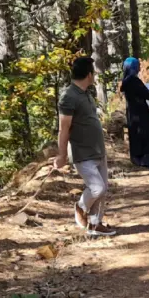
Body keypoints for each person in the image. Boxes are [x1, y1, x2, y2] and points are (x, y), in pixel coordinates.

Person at [54, 56, 115, 237]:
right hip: (83, 152)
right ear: (89, 74)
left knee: (102, 190)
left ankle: (96, 224)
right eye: (93, 72)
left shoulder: (85, 93)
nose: (94, 75)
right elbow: (63, 128)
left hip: (98, 150)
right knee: (97, 188)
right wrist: (62, 155)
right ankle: (80, 207)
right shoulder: (69, 96)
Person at [119, 57, 149, 168]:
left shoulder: (127, 81)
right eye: (137, 65)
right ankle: (148, 160)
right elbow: (145, 93)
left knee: (136, 135)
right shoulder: (133, 80)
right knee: (146, 134)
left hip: (132, 112)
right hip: (140, 112)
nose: (139, 68)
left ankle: (138, 159)